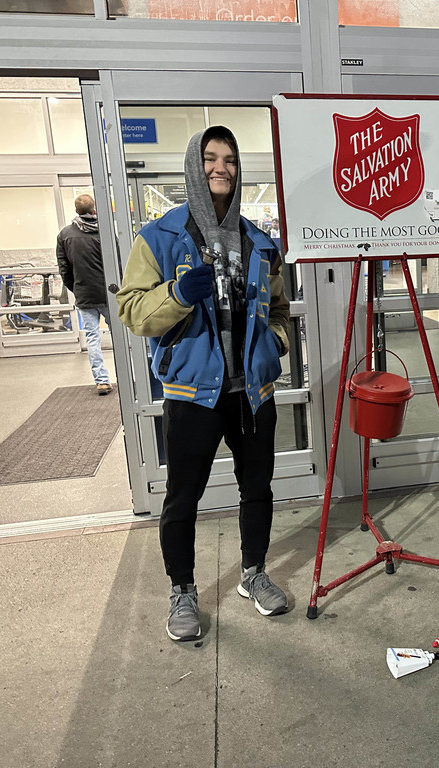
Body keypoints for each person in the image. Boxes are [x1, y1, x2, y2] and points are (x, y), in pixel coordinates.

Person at [117, 126, 291, 641]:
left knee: (257, 488)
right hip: (193, 393)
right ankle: (182, 590)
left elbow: (280, 310)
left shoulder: (260, 242)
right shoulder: (159, 237)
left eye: (230, 160)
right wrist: (177, 294)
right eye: (211, 158)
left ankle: (253, 573)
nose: (221, 168)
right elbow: (132, 311)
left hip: (252, 392)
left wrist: (273, 346)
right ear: (194, 166)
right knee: (183, 497)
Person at [56, 194, 112, 395]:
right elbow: (118, 262)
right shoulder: (105, 231)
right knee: (120, 336)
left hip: (84, 294)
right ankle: (126, 377)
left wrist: (76, 288)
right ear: (94, 209)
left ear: (77, 211)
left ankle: (102, 381)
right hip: (108, 293)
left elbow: (64, 269)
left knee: (92, 338)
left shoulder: (65, 235)